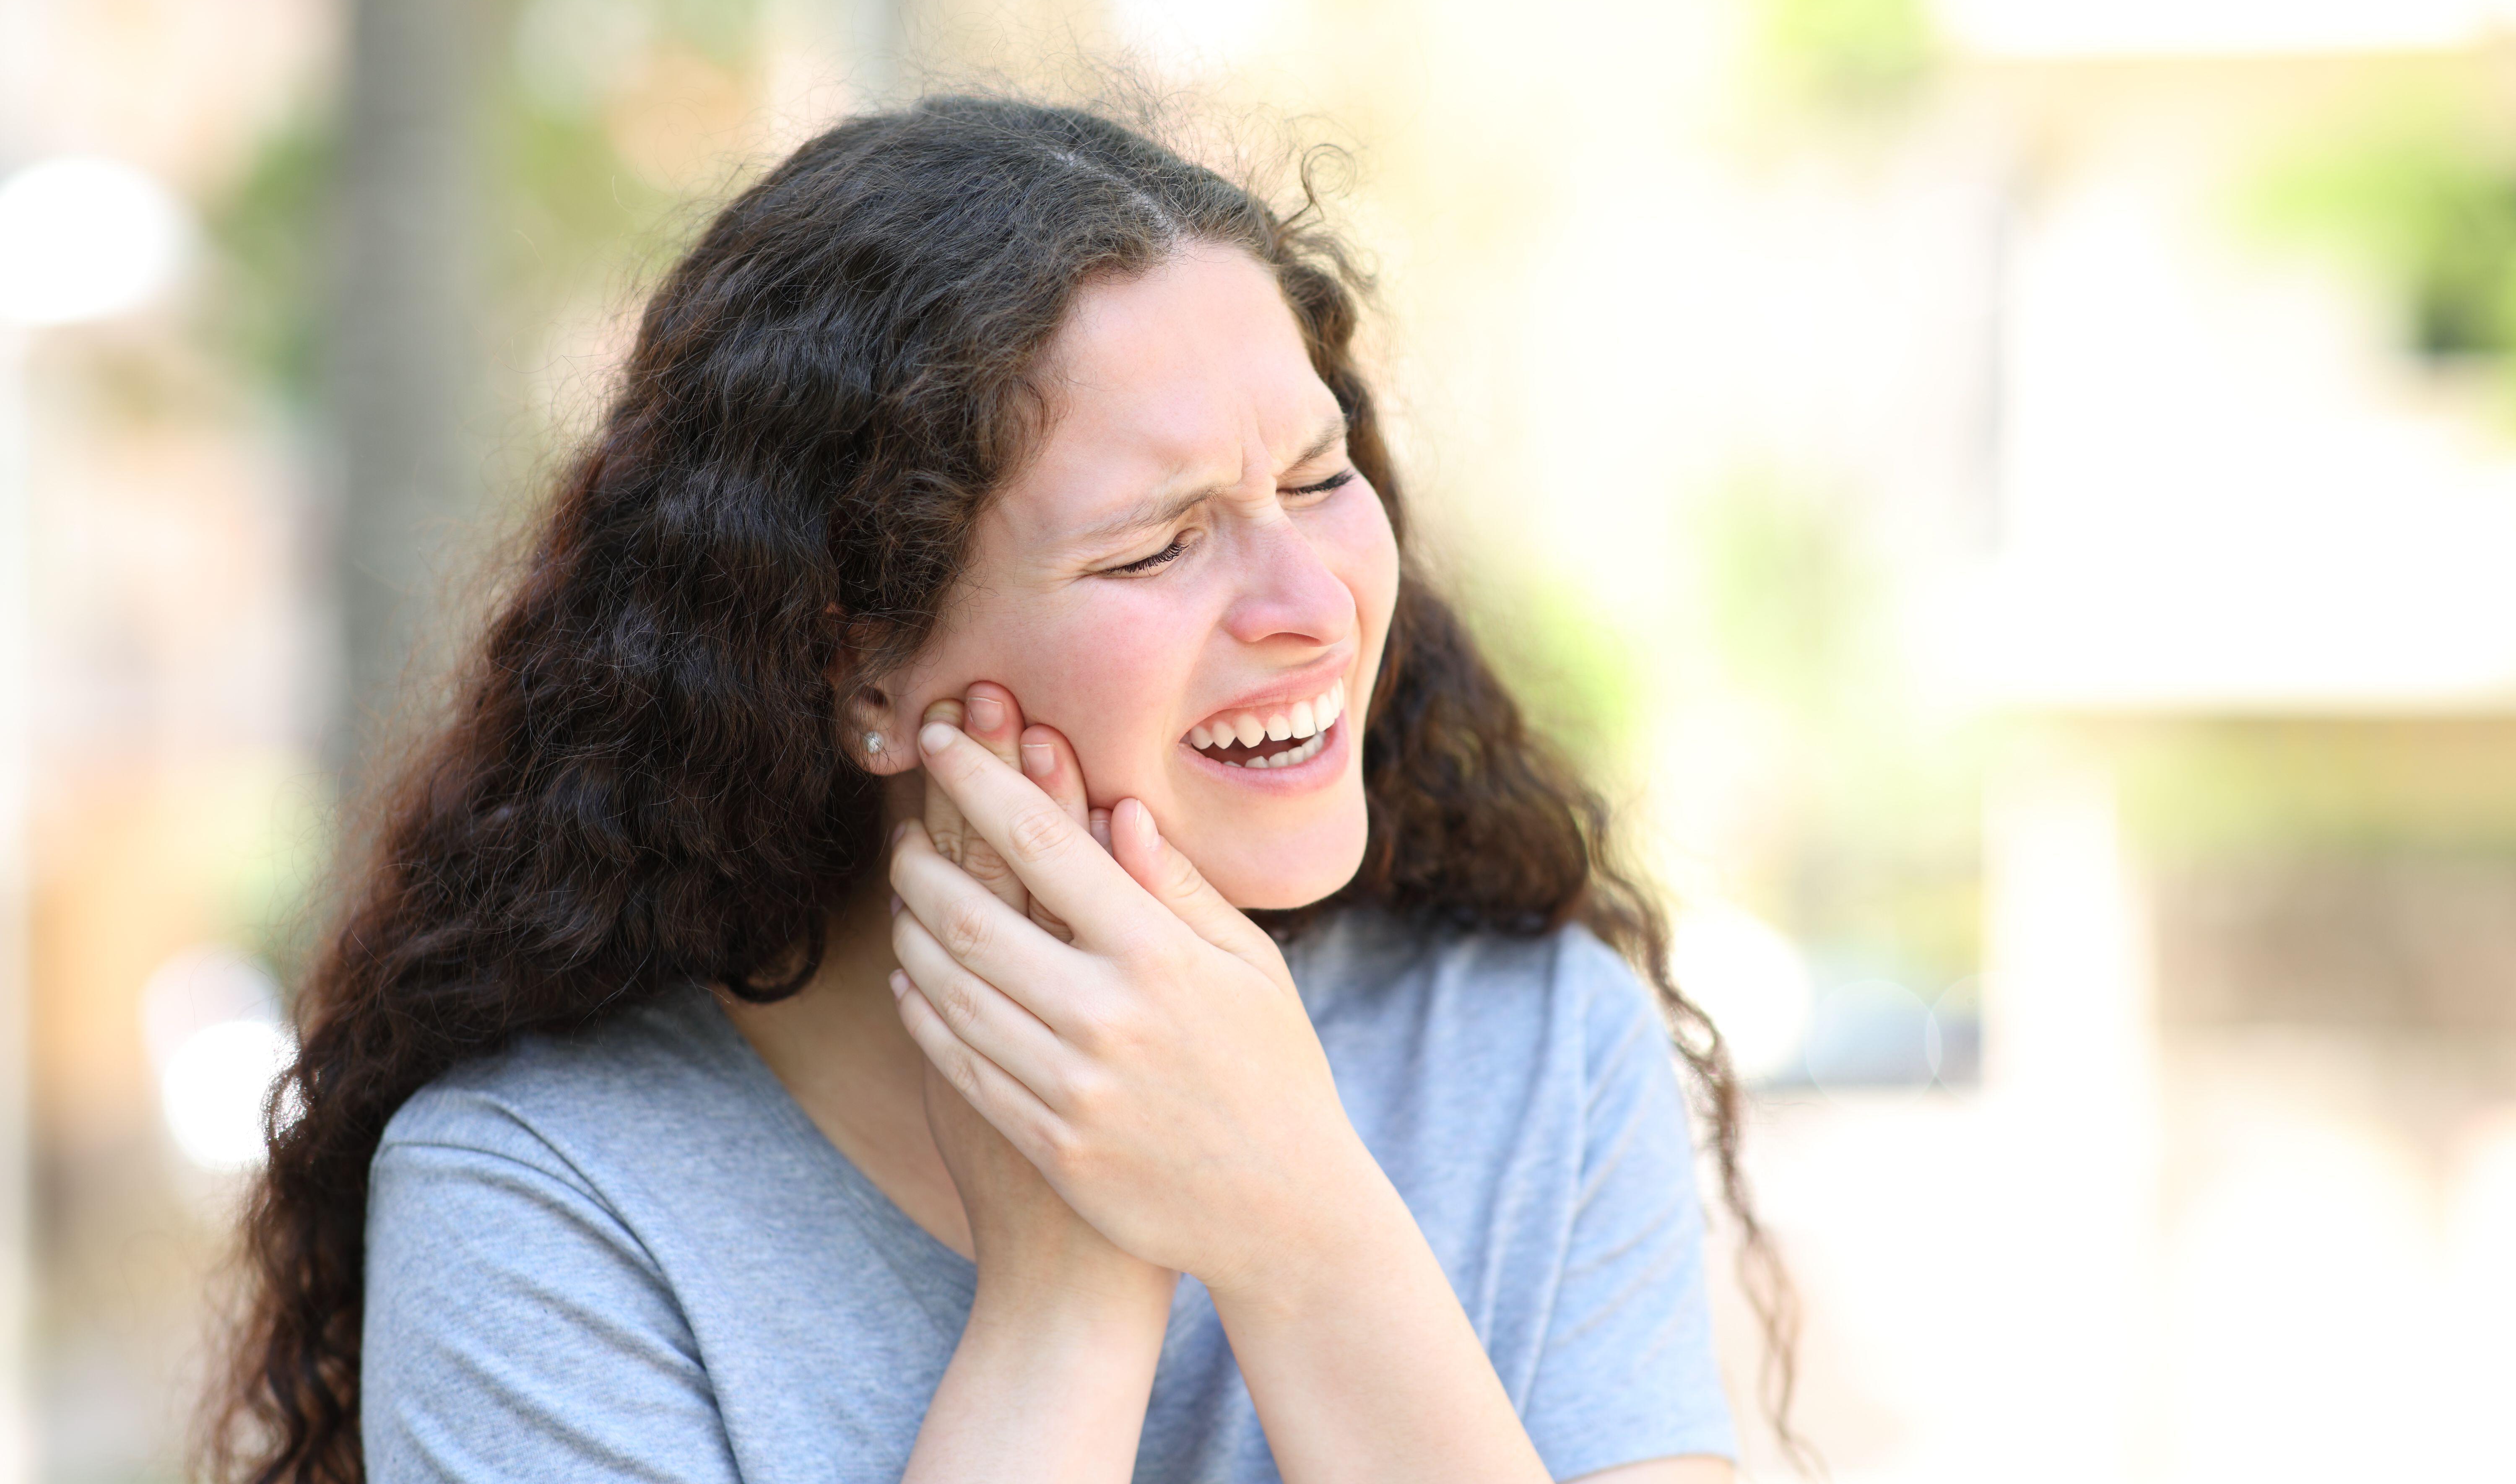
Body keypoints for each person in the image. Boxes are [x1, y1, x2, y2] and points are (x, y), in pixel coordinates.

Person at [211, 96, 1794, 1484]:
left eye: (1321, 481)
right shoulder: (546, 1199)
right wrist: (1061, 1307)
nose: (1310, 601)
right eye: (1157, 543)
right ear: (861, 669)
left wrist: (1300, 1218)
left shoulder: (1525, 1043)